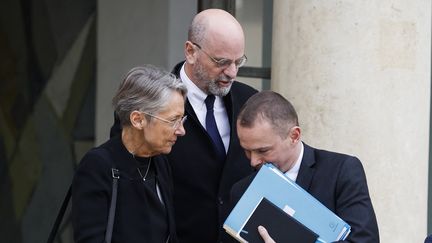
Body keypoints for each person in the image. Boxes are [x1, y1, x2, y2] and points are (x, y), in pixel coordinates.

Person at [110, 9, 257, 243]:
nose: (232, 73)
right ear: (190, 52)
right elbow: (127, 190)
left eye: (238, 62)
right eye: (221, 62)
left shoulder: (251, 102)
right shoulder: (149, 105)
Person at [230, 91, 380, 243]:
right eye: (247, 150)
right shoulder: (241, 190)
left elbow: (365, 240)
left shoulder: (341, 171)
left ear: (294, 136)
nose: (253, 161)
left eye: (263, 150)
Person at [72, 65, 187, 243]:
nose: (181, 130)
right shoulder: (98, 166)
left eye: (182, 119)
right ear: (138, 120)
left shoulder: (161, 162)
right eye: (173, 120)